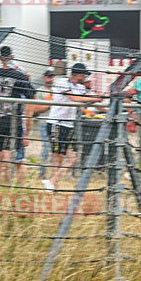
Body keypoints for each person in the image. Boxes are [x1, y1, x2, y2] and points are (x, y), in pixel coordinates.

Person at [42, 63, 102, 191]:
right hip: (56, 123)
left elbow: (89, 100)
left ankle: (51, 182)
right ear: (78, 74)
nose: (86, 77)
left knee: (72, 158)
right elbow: (75, 98)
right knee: (57, 156)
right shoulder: (62, 82)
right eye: (84, 74)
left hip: (69, 124)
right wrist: (95, 99)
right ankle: (53, 186)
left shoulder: (80, 87)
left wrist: (107, 106)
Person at [0, 46, 35, 185]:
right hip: (13, 119)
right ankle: (9, 181)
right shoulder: (19, 75)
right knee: (11, 151)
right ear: (12, 56)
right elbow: (32, 96)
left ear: (0, 58)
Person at [24, 70, 56, 177]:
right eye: (48, 77)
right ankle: (42, 171)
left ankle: (53, 172)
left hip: (56, 122)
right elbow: (35, 109)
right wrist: (48, 105)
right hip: (44, 122)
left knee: (55, 148)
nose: (50, 79)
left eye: (52, 77)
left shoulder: (56, 90)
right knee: (46, 147)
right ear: (44, 78)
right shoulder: (39, 92)